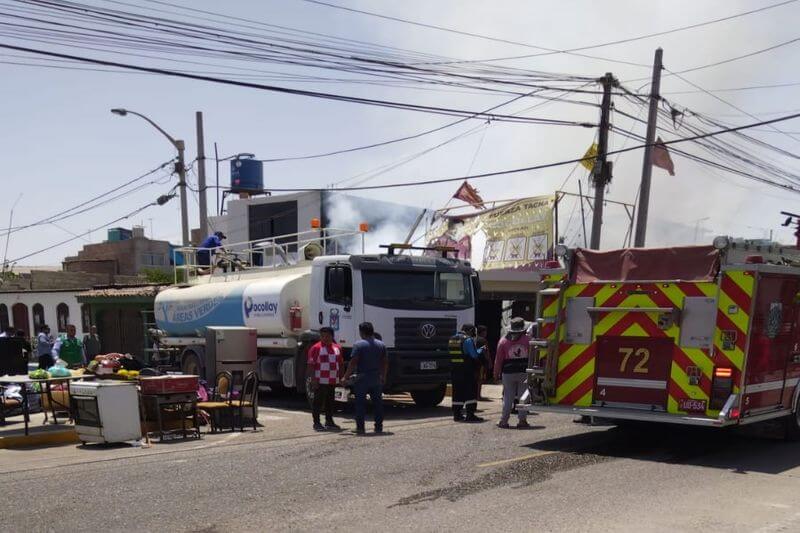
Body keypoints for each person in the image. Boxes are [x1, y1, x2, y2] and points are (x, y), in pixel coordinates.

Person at [342, 322, 387, 435]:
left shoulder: (359, 345)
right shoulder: (381, 345)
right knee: (378, 403)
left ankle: (360, 428)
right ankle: (378, 427)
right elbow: (385, 362)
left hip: (362, 379)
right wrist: (383, 376)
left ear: (361, 332)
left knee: (360, 404)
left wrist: (345, 377)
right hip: (376, 378)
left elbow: (353, 362)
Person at [494, 317, 531, 429]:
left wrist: (496, 373)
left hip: (508, 372)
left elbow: (498, 359)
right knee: (523, 397)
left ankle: (504, 421)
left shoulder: (503, 341)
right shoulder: (528, 340)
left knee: (508, 397)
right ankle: (522, 421)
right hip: (524, 372)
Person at [307, 326, 343, 432]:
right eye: (322, 336)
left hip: (332, 380)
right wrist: (313, 380)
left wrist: (341, 377)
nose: (325, 338)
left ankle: (329, 421)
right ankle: (316, 423)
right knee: (317, 402)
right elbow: (310, 365)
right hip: (320, 380)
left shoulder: (337, 348)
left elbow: (340, 364)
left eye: (327, 336)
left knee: (330, 402)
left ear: (332, 336)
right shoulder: (315, 348)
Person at [448, 324, 484, 423]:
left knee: (457, 392)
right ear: (470, 330)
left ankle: (457, 415)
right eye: (473, 332)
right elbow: (474, 355)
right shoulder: (467, 340)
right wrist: (481, 350)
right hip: (466, 370)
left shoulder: (452, 339)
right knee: (470, 392)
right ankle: (470, 415)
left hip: (455, 370)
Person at [476, 325, 492, 400]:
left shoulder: (472, 339)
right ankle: (478, 396)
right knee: (480, 380)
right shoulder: (483, 340)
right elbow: (486, 352)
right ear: (483, 332)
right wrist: (489, 362)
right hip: (481, 363)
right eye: (485, 331)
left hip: (473, 362)